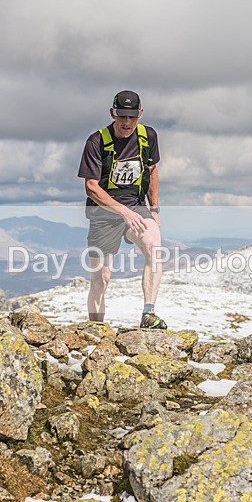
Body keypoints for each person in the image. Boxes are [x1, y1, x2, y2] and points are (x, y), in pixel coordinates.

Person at [78, 90, 166, 329]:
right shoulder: (96, 141)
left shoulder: (148, 136)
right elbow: (91, 188)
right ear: (112, 113)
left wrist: (154, 209)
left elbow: (152, 170)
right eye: (121, 115)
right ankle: (95, 331)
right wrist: (123, 211)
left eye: (132, 116)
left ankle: (148, 313)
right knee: (100, 279)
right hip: (103, 214)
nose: (127, 122)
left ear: (140, 114)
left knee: (154, 245)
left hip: (137, 206)